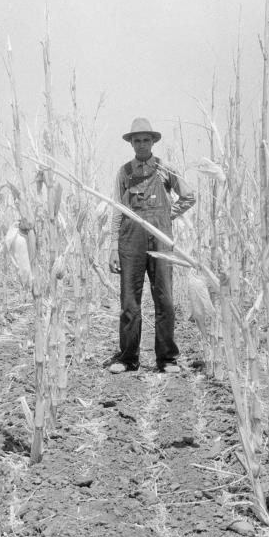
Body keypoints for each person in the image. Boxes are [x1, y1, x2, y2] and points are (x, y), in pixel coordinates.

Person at [106, 117, 195, 374]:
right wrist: (113, 246)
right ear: (131, 143)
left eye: (146, 140)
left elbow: (189, 196)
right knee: (129, 302)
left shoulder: (165, 169)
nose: (142, 144)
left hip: (160, 239)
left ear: (153, 142)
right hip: (129, 240)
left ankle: (167, 359)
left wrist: (168, 215)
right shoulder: (124, 172)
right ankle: (127, 358)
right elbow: (117, 210)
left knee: (164, 299)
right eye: (137, 140)